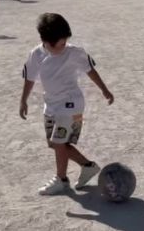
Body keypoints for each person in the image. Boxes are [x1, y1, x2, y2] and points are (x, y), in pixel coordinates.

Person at [18, 13, 114, 195]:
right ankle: (88, 166)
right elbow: (29, 78)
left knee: (58, 142)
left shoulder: (74, 52)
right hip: (51, 105)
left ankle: (61, 180)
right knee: (55, 144)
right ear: (45, 41)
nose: (64, 46)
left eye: (65, 42)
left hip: (71, 104)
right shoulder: (36, 55)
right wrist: (23, 100)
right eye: (60, 44)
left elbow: (90, 70)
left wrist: (104, 89)